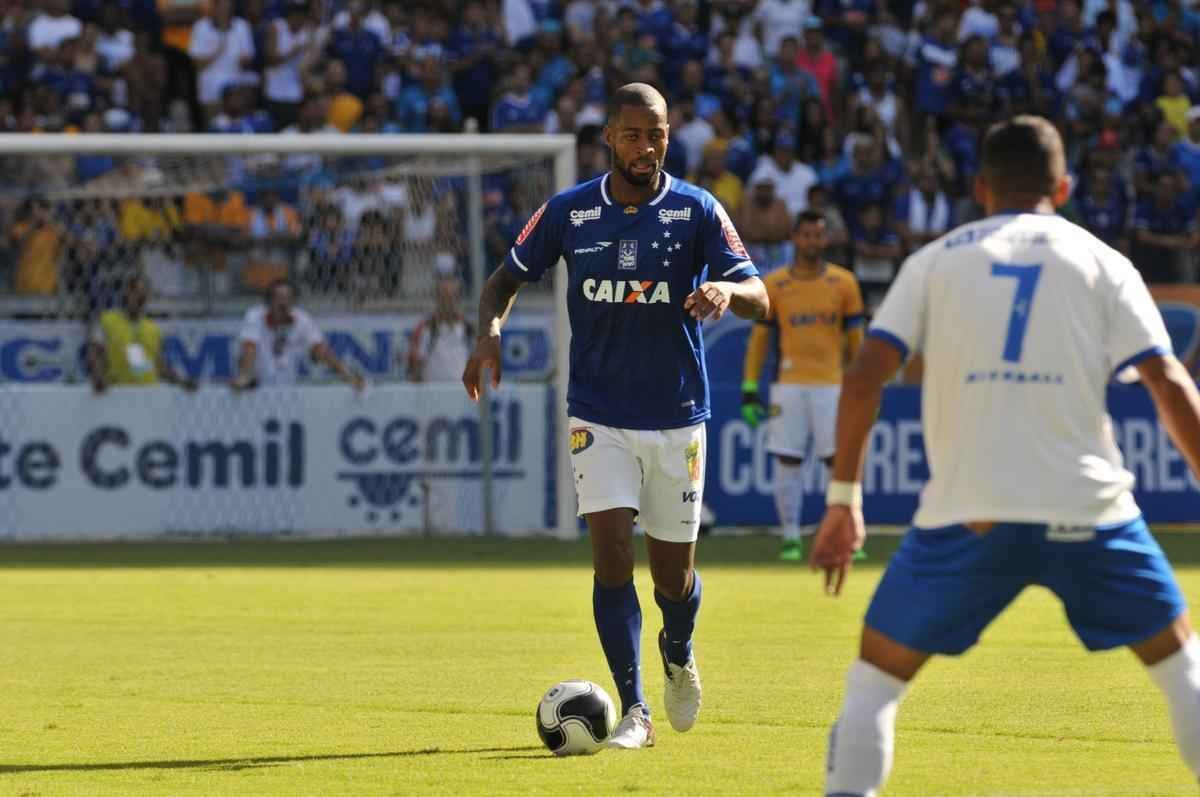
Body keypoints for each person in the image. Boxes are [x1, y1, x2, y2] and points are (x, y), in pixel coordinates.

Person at [809, 116, 1200, 795]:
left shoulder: (933, 261)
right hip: (1088, 510)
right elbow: (1168, 381)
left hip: (969, 511)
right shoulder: (1105, 262)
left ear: (981, 188)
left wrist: (844, 502)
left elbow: (865, 374)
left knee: (874, 679)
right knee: (1182, 666)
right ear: (1064, 185)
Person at [462, 83, 768, 750]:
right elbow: (502, 281)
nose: (645, 146)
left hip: (678, 416)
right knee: (609, 558)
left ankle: (678, 649)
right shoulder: (571, 213)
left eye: (655, 133)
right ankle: (635, 709)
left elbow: (761, 295)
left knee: (673, 579)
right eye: (632, 134)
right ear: (609, 138)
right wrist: (488, 333)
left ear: (668, 135)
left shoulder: (697, 210)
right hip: (597, 414)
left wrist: (727, 289)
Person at [741, 210, 865, 562]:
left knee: (839, 462)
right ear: (794, 238)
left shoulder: (844, 283)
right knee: (787, 460)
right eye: (806, 235)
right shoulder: (774, 284)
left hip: (833, 385)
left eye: (818, 235)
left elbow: (857, 342)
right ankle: (791, 537)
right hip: (788, 386)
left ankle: (846, 534)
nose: (812, 242)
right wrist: (749, 388)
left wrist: (862, 388)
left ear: (825, 239)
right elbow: (759, 342)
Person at [231, 278, 364, 390]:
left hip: (287, 386)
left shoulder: (302, 319)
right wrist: (245, 375)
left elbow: (320, 350)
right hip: (256, 387)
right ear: (269, 300)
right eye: (278, 298)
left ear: (293, 301)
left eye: (288, 299)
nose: (283, 303)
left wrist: (347, 375)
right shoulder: (255, 316)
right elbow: (249, 348)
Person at [87, 274, 197, 393]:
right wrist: (98, 376)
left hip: (148, 393)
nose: (139, 297)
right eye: (135, 292)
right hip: (119, 392)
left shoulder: (153, 329)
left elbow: (160, 366)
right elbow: (95, 351)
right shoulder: (107, 320)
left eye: (143, 294)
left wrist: (181, 382)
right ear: (126, 293)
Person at [408, 275, 473, 382]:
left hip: (462, 393)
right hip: (433, 393)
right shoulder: (427, 329)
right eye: (444, 297)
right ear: (438, 300)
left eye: (453, 297)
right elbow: (415, 367)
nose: (449, 302)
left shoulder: (468, 329)